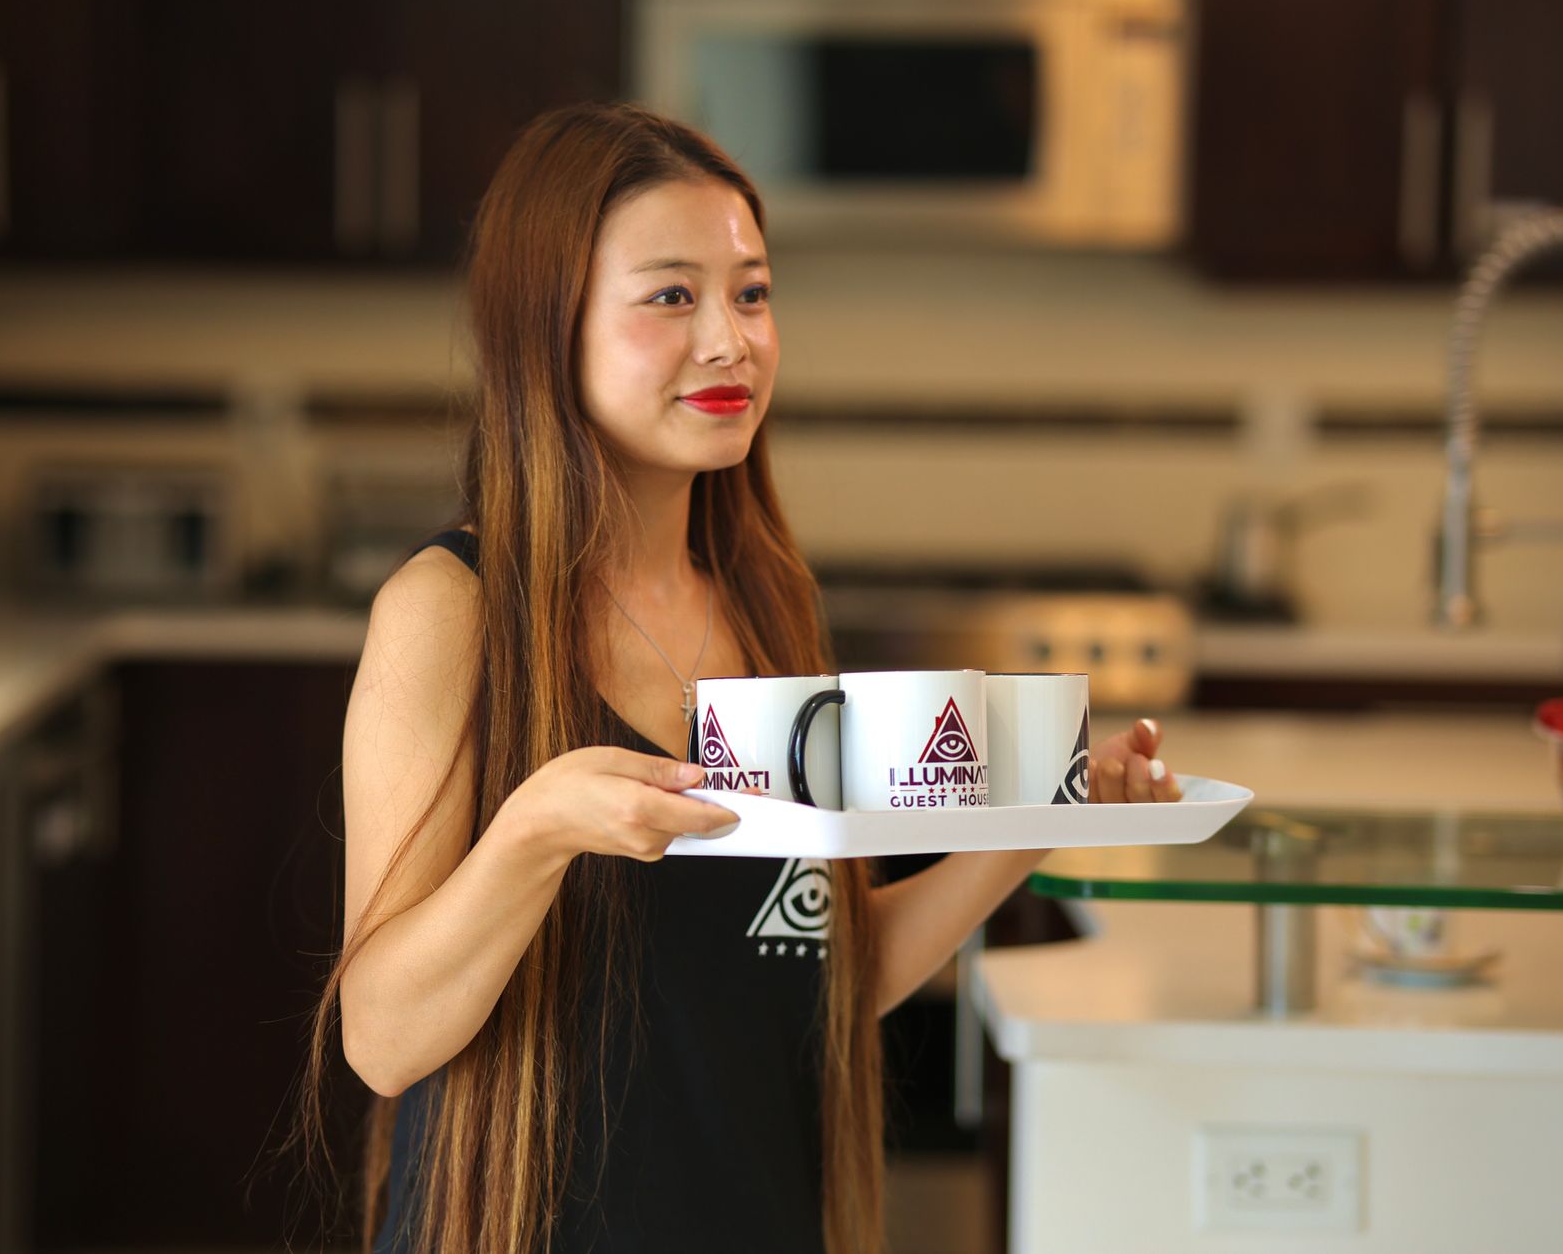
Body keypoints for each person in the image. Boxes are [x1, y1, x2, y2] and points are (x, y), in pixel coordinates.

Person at [306, 102, 1180, 1254]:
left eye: (753, 293)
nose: (731, 340)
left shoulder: (763, 604)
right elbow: (382, 1038)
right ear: (545, 326)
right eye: (672, 295)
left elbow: (809, 980)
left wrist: (1034, 826)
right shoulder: (452, 612)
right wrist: (535, 833)